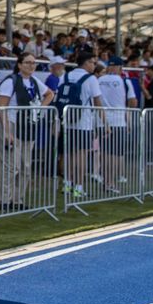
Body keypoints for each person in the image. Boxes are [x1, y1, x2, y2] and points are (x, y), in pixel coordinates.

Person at [0, 52, 54, 210]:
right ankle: (4, 200)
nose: (31, 65)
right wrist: (7, 131)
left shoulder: (35, 81)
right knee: (10, 165)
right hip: (13, 124)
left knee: (25, 166)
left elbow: (50, 94)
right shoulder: (10, 81)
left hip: (28, 126)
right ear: (20, 64)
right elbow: (2, 107)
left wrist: (40, 110)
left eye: (33, 62)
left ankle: (18, 199)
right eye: (27, 62)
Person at [59, 52, 108, 198]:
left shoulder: (65, 76)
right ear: (86, 63)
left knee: (68, 154)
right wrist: (105, 123)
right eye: (93, 62)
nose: (94, 65)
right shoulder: (91, 79)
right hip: (83, 123)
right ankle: (78, 186)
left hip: (67, 121)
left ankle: (67, 184)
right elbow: (98, 103)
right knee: (81, 156)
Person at [97, 56, 138, 192]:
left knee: (104, 153)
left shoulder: (99, 79)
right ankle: (111, 183)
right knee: (115, 154)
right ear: (120, 68)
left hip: (102, 121)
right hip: (118, 121)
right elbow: (133, 101)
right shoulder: (125, 81)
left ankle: (105, 181)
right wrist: (127, 111)